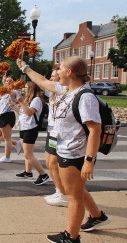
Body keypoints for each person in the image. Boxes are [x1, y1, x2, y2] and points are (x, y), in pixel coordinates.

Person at [17, 57, 111, 243]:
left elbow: (95, 130)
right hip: (64, 148)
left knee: (73, 196)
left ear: (69, 73)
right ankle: (98, 216)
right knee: (75, 189)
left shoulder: (85, 97)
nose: (57, 72)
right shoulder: (67, 89)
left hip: (75, 153)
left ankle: (71, 237)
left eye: (60, 69)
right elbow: (43, 82)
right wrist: (25, 68)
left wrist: (89, 161)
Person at [9, 82, 50, 185]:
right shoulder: (28, 100)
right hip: (24, 127)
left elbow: (29, 112)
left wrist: (22, 102)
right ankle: (28, 172)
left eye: (26, 87)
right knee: (26, 153)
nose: (24, 89)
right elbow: (22, 113)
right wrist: (13, 106)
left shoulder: (36, 100)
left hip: (31, 128)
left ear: (31, 89)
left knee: (28, 154)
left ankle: (43, 175)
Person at [44, 69, 69, 206]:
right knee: (49, 163)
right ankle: (58, 190)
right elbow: (42, 83)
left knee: (53, 164)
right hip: (51, 132)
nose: (50, 79)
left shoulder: (63, 91)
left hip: (57, 133)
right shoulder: (52, 93)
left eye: (53, 76)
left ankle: (63, 194)